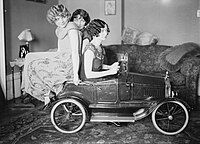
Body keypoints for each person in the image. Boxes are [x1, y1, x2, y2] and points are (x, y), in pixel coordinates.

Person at [22, 4, 90, 106]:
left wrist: (76, 74)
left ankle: (47, 93)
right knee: (32, 61)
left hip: (68, 63)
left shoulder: (72, 28)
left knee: (30, 57)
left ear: (67, 15)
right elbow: (60, 49)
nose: (61, 21)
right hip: (61, 58)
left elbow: (76, 52)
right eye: (57, 19)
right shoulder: (59, 29)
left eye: (63, 17)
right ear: (53, 21)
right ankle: (48, 93)